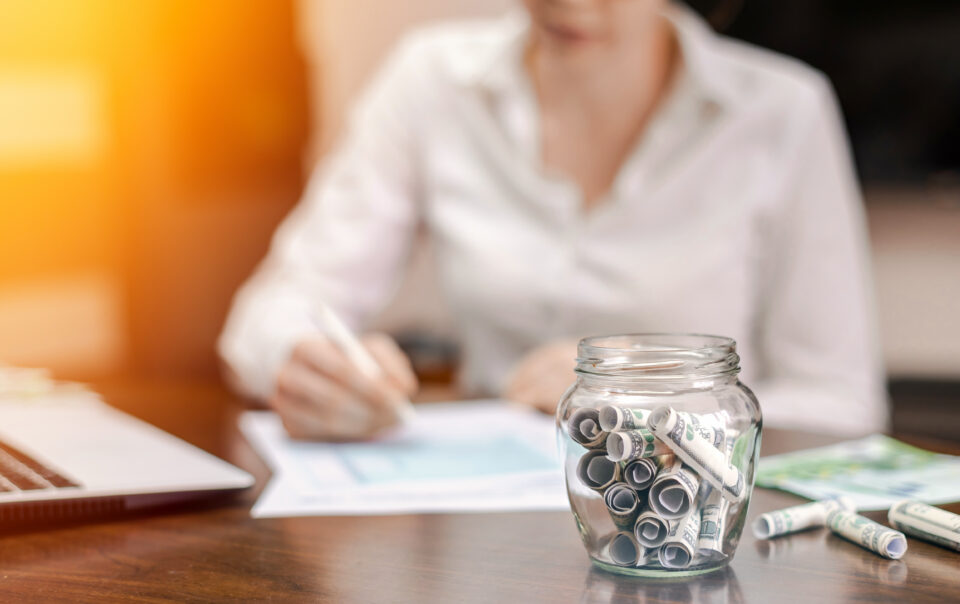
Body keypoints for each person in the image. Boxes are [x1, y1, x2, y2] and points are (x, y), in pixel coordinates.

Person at [219, 0, 886, 440]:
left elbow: (841, 404)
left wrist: (646, 400)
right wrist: (307, 366)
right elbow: (266, 317)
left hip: (684, 526)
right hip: (482, 533)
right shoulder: (432, 79)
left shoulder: (783, 112)